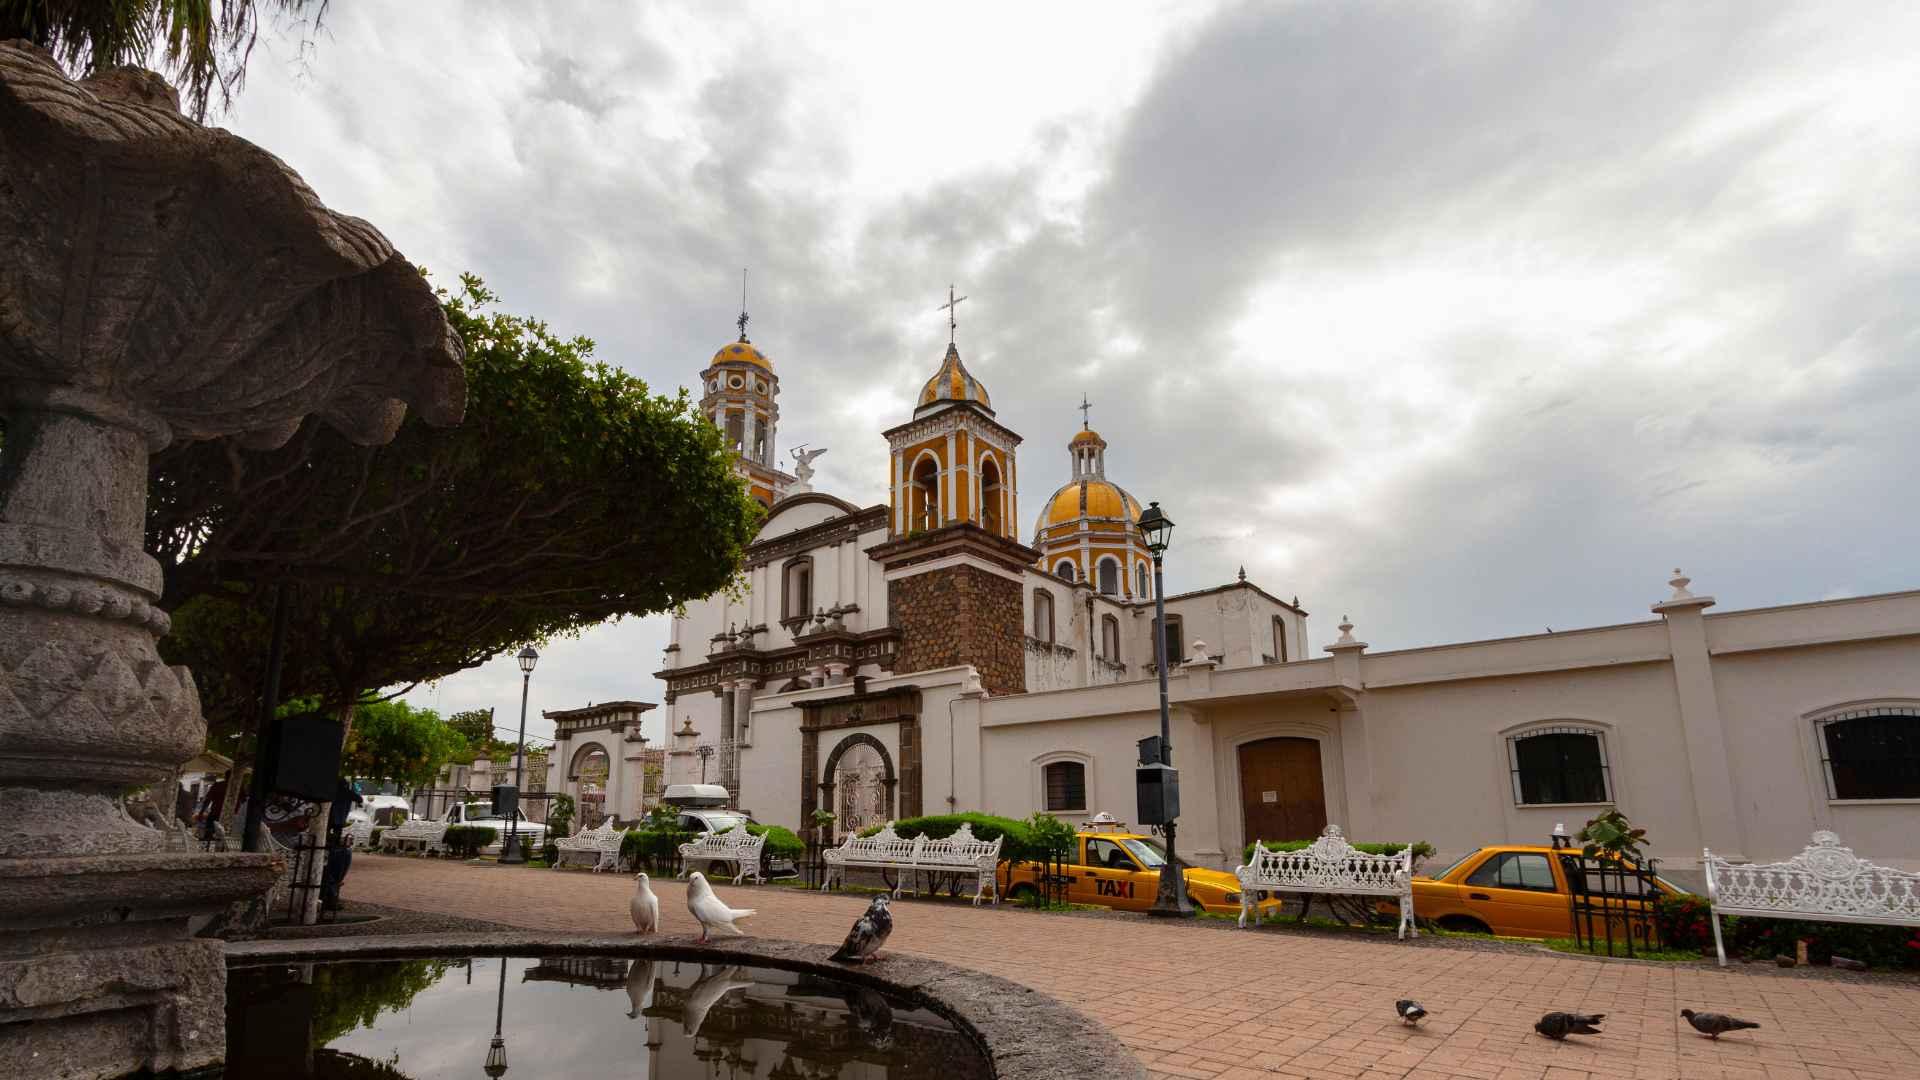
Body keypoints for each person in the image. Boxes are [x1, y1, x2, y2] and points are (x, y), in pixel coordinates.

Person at [319, 778, 364, 911]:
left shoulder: (332, 792)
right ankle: (331, 893)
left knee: (340, 853)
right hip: (335, 823)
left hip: (332, 823)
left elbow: (358, 798)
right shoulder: (345, 792)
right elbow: (359, 799)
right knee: (338, 854)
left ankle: (331, 892)